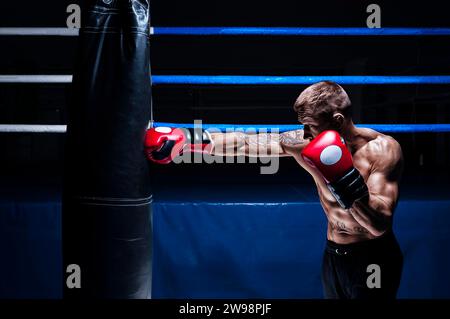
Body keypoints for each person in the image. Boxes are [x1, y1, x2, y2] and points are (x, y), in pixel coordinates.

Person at [145, 81, 404, 299]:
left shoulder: (383, 150)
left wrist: (342, 176)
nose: (303, 133)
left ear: (337, 120)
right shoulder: (304, 141)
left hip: (373, 258)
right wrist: (187, 140)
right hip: (334, 255)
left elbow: (379, 224)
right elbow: (245, 143)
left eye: (310, 126)